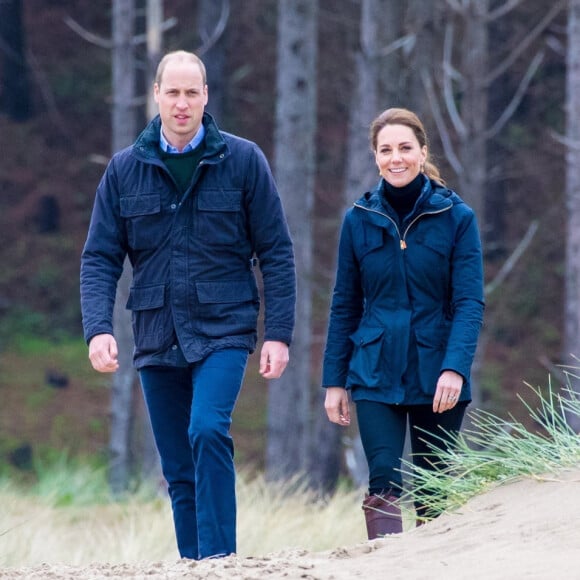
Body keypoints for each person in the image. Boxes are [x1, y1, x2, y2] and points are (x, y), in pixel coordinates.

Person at [80, 50, 296, 560]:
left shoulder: (242, 161)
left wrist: (279, 333)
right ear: (156, 95)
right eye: (172, 92)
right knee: (177, 466)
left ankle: (221, 562)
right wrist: (98, 328)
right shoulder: (124, 170)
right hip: (155, 333)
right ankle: (193, 566)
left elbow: (277, 252)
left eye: (191, 92)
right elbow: (99, 259)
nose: (182, 103)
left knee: (207, 429)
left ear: (206, 96)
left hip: (224, 328)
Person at [322, 107, 484, 539]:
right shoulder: (358, 219)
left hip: (438, 375)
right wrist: (335, 381)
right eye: (386, 149)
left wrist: (455, 367)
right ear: (375, 156)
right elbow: (344, 305)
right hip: (374, 372)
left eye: (405, 148)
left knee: (434, 492)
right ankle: (386, 565)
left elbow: (469, 303)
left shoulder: (457, 219)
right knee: (383, 486)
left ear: (422, 152)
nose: (396, 158)